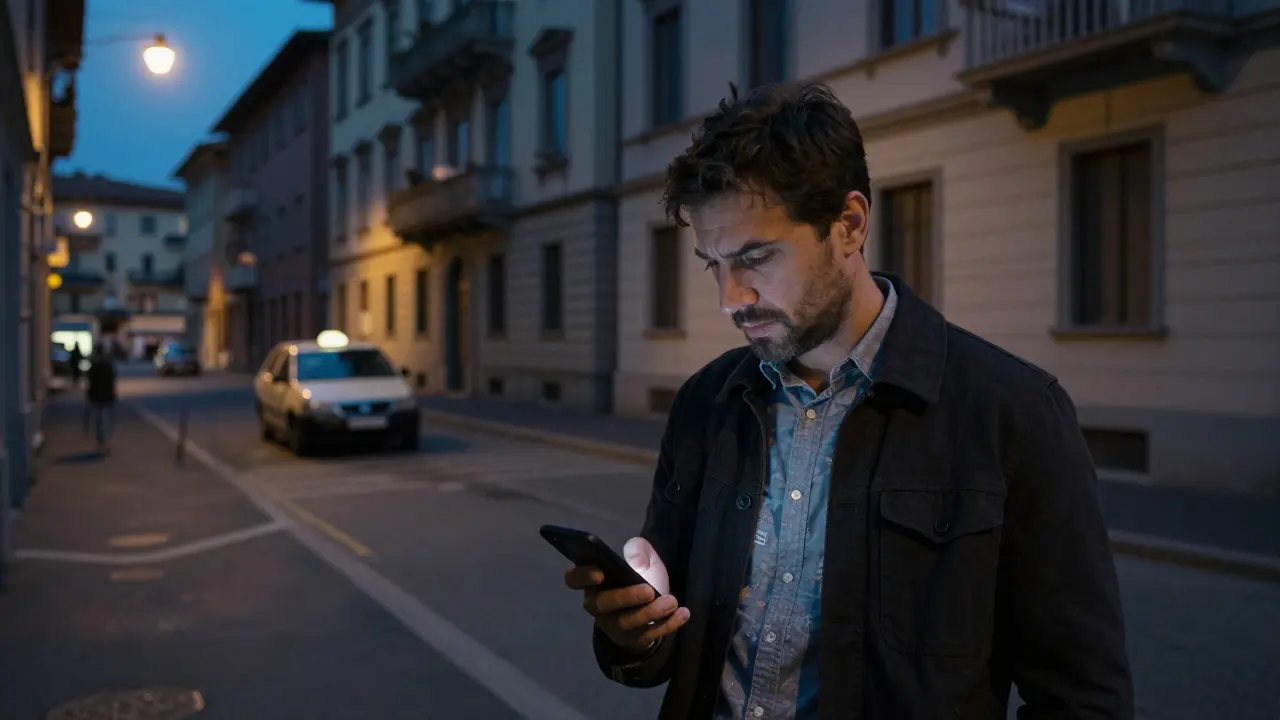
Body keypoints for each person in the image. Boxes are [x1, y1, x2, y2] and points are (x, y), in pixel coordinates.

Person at [564, 83, 1133, 719]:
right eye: (713, 264)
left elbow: (1084, 699)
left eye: (756, 257)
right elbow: (668, 647)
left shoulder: (1011, 411)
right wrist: (632, 634)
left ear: (850, 224)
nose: (731, 297)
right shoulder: (708, 401)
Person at [85, 344, 117, 454]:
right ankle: (106, 443)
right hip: (107, 396)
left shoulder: (93, 366)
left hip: (96, 396)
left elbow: (89, 381)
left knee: (98, 421)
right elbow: (112, 381)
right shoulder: (108, 366)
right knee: (107, 420)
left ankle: (101, 443)